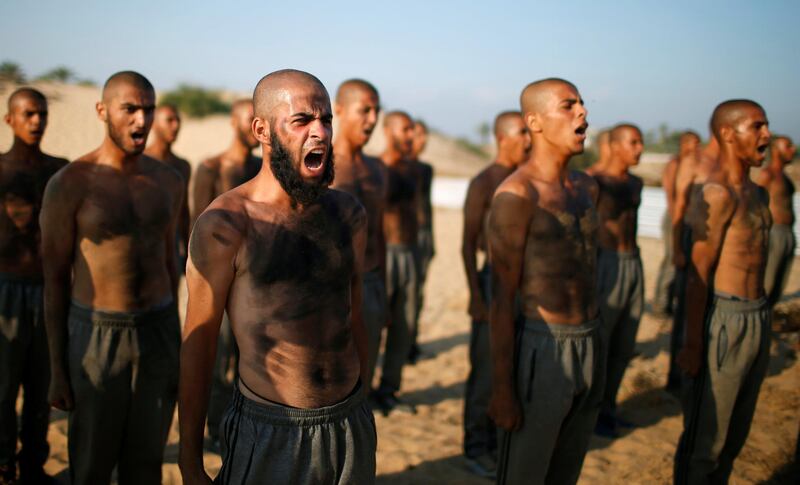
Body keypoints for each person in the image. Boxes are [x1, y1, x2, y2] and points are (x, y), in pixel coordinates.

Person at [178, 69, 375, 485]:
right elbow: (199, 344)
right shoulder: (226, 225)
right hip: (271, 428)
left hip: (349, 421)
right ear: (261, 131)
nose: (319, 133)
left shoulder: (349, 214)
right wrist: (190, 462)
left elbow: (355, 314)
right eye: (302, 121)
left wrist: (363, 404)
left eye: (325, 120)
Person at [40, 71, 184, 485]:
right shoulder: (69, 184)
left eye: (149, 109)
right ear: (103, 111)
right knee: (91, 463)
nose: (142, 121)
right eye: (130, 109)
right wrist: (57, 367)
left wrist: (174, 341)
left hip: (157, 330)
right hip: (97, 334)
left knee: (146, 462)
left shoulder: (168, 182)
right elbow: (54, 280)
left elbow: (170, 263)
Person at [488, 78, 601, 485]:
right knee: (526, 473)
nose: (583, 113)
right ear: (534, 122)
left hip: (591, 338)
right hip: (544, 345)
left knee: (566, 470)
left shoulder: (587, 188)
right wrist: (502, 387)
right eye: (568, 106)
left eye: (582, 104)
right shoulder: (517, 196)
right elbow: (500, 298)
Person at [674, 99, 772, 485]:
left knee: (734, 438)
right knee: (705, 442)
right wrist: (693, 343)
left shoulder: (757, 194)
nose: (767, 135)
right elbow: (698, 273)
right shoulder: (717, 194)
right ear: (728, 134)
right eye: (757, 127)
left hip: (758, 315)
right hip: (723, 320)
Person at [0, 87, 68, 484]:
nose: (36, 121)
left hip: (48, 290)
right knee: (4, 385)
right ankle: (4, 463)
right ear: (10, 119)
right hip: (6, 288)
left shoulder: (59, 169)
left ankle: (33, 463)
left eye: (41, 113)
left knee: (43, 383)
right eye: (27, 114)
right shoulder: (2, 169)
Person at [460, 110, 530, 478]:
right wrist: (475, 293)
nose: (528, 140)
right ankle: (475, 446)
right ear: (503, 137)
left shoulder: (527, 179)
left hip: (524, 285)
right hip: (491, 282)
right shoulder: (484, 182)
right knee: (486, 368)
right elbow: (467, 243)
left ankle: (501, 438)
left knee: (515, 365)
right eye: (521, 132)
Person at [189, 98, 260, 450]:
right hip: (219, 284)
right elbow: (196, 231)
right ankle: (216, 429)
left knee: (248, 361)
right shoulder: (211, 167)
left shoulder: (265, 170)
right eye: (247, 119)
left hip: (256, 286)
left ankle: (238, 426)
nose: (252, 128)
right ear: (233, 122)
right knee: (216, 361)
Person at [331, 78, 387, 391]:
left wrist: (385, 290)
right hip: (333, 287)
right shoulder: (321, 165)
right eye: (364, 110)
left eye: (376, 111)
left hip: (372, 280)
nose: (372, 119)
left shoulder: (378, 170)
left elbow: (380, 233)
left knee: (365, 372)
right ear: (339, 110)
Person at [591, 123, 645, 438]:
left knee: (624, 344)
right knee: (601, 342)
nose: (639, 149)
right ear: (613, 145)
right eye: (633, 142)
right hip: (604, 264)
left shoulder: (636, 183)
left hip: (633, 263)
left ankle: (608, 408)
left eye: (640, 142)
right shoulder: (593, 182)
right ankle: (592, 412)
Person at [371, 111, 419, 415]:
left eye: (412, 130)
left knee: (405, 326)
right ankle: (363, 394)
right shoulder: (378, 168)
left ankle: (389, 390)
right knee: (374, 326)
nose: (411, 136)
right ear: (388, 131)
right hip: (384, 254)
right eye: (405, 130)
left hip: (410, 254)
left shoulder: (412, 168)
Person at [667, 131, 719, 394]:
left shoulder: (726, 166)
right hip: (691, 236)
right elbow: (678, 206)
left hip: (714, 241)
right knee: (687, 304)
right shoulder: (693, 162)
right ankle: (677, 377)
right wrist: (676, 247)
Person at [653, 131, 701, 316]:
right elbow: (672, 196)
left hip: (687, 220)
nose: (697, 147)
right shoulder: (675, 164)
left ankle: (673, 302)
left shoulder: (695, 165)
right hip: (675, 218)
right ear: (684, 143)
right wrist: (676, 223)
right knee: (672, 259)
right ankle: (660, 304)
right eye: (694, 143)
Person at [144, 103, 191, 276]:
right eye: (169, 120)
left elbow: (184, 211)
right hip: (144, 246)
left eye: (178, 120)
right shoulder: (140, 161)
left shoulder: (182, 165)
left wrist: (188, 251)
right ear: (154, 124)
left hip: (172, 245)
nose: (176, 126)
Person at [756, 135, 796, 307]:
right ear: (776, 150)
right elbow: (756, 206)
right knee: (767, 281)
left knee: (779, 283)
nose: (793, 150)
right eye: (788, 146)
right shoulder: (767, 175)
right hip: (773, 233)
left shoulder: (785, 177)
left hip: (787, 233)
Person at [408, 120, 434, 363]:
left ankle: (411, 344)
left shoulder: (425, 169)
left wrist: (431, 237)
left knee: (417, 293)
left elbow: (427, 205)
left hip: (423, 234)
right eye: (418, 135)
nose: (422, 140)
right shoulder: (395, 168)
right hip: (405, 237)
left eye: (424, 135)